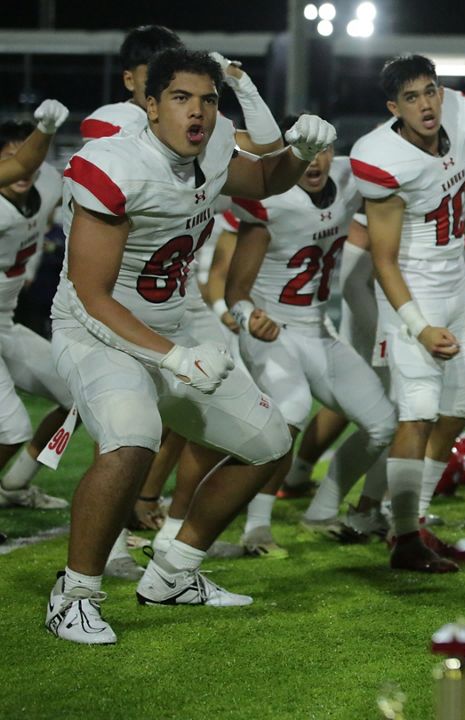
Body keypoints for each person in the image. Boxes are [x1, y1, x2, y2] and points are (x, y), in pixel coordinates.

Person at [44, 48, 335, 645]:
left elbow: (261, 180)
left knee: (270, 442)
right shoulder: (115, 163)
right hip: (97, 331)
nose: (198, 111)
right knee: (131, 440)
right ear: (149, 106)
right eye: (180, 98)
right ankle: (74, 594)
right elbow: (93, 295)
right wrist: (174, 356)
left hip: (171, 323)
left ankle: (173, 572)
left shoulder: (217, 141)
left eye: (207, 98)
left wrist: (299, 154)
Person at [351, 53, 465, 572]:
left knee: (462, 406)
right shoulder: (383, 157)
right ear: (394, 107)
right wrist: (418, 326)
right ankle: (403, 536)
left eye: (430, 90)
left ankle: (410, 517)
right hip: (413, 294)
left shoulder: (455, 113)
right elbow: (383, 260)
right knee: (419, 413)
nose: (426, 104)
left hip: (453, 285)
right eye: (411, 97)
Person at [224, 120, 397, 551]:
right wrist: (248, 319)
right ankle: (255, 525)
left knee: (382, 424)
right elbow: (234, 293)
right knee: (293, 409)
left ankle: (323, 511)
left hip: (318, 327)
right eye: (304, 149)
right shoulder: (270, 198)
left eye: (323, 149)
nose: (316, 159)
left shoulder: (348, 174)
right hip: (273, 330)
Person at [0, 119, 76, 512]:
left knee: (79, 393)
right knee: (11, 427)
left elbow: (49, 219)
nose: (23, 166)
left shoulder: (47, 183)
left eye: (29, 157)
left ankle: (14, 485)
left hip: (7, 323)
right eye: (12, 159)